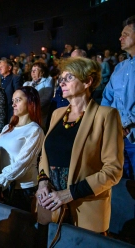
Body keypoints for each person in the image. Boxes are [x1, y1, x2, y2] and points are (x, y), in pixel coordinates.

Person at [37, 57, 123, 233]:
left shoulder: (106, 115)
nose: (62, 82)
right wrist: (43, 182)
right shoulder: (57, 114)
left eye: (69, 77)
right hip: (52, 208)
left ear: (88, 82)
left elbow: (113, 170)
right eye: (61, 78)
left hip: (86, 210)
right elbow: (45, 157)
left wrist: (69, 194)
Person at [0, 87, 44, 212]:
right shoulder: (8, 127)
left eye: (18, 100)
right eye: (13, 100)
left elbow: (23, 163)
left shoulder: (35, 130)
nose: (13, 104)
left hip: (22, 189)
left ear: (30, 102)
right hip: (3, 186)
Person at [102, 15, 135, 180]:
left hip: (131, 135)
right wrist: (110, 124)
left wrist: (124, 123)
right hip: (118, 137)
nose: (120, 38)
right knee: (123, 188)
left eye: (126, 34)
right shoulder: (120, 68)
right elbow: (107, 97)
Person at [23, 61, 54, 130]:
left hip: (41, 113)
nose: (32, 72)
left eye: (35, 70)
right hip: (29, 113)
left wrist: (34, 106)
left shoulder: (48, 80)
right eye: (32, 70)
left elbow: (47, 97)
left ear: (42, 72)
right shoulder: (27, 84)